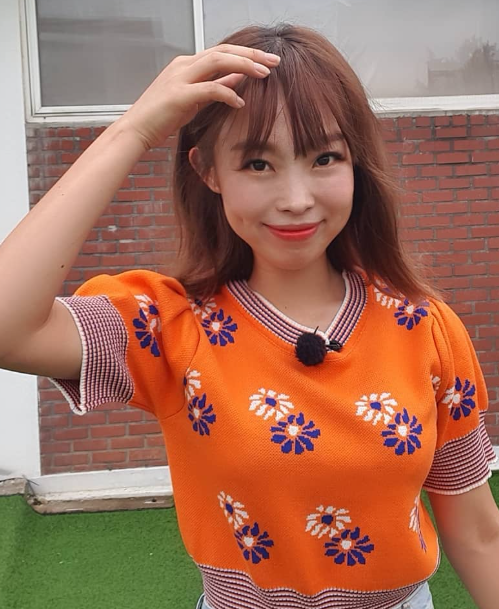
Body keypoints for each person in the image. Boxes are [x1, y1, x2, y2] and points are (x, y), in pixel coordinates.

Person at [0, 22, 498, 609]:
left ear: (356, 165)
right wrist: (135, 129)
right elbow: (10, 328)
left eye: (325, 157)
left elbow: (477, 532)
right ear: (209, 171)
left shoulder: (426, 327)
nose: (296, 198)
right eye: (258, 164)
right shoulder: (171, 327)